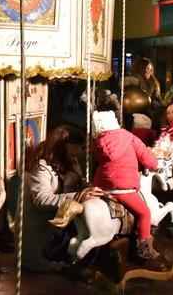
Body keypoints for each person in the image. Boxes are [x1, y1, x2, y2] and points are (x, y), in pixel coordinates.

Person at [22, 124, 104, 272]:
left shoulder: (69, 161)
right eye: (75, 147)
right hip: (43, 226)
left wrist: (90, 188)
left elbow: (76, 179)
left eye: (79, 148)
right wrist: (78, 195)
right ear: (62, 146)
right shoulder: (40, 166)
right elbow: (41, 199)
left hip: (63, 219)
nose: (78, 152)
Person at [91, 110, 159, 260]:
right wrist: (154, 163)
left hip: (102, 186)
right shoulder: (129, 137)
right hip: (123, 188)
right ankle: (144, 247)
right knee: (145, 213)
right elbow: (148, 160)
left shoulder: (97, 142)